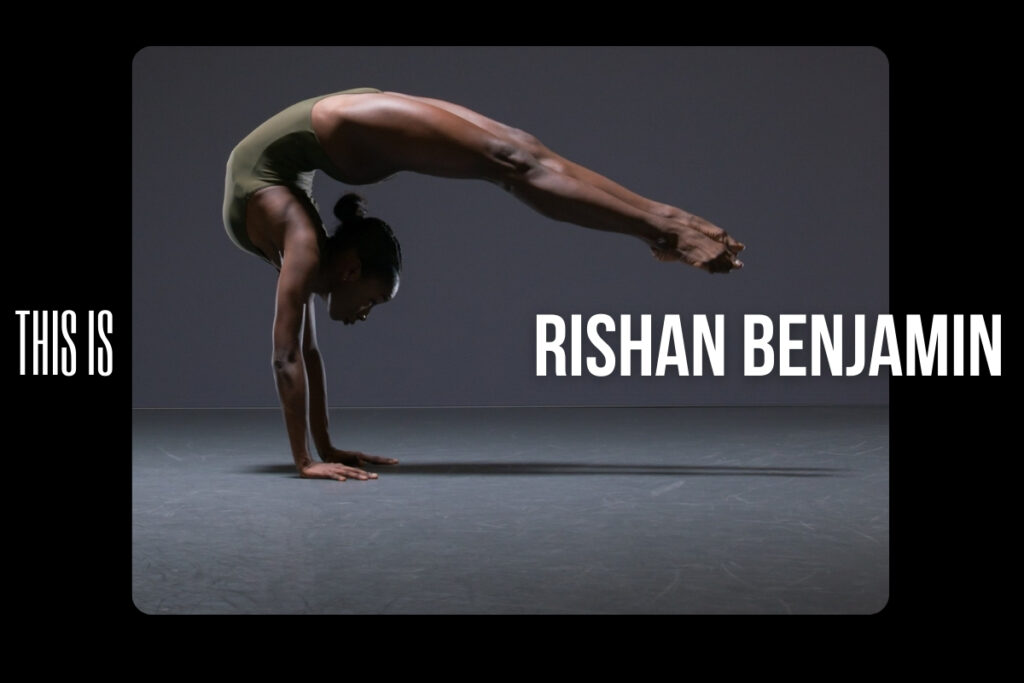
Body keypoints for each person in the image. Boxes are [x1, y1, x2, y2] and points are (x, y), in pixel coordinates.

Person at [223, 88, 746, 482]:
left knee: (514, 162)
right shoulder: (304, 247)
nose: (367, 312)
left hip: (342, 127)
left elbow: (284, 357)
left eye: (375, 300)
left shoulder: (302, 243)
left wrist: (304, 461)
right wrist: (326, 449)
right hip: (343, 119)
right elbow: (306, 354)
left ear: (352, 269)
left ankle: (662, 228)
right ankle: (663, 220)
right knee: (519, 151)